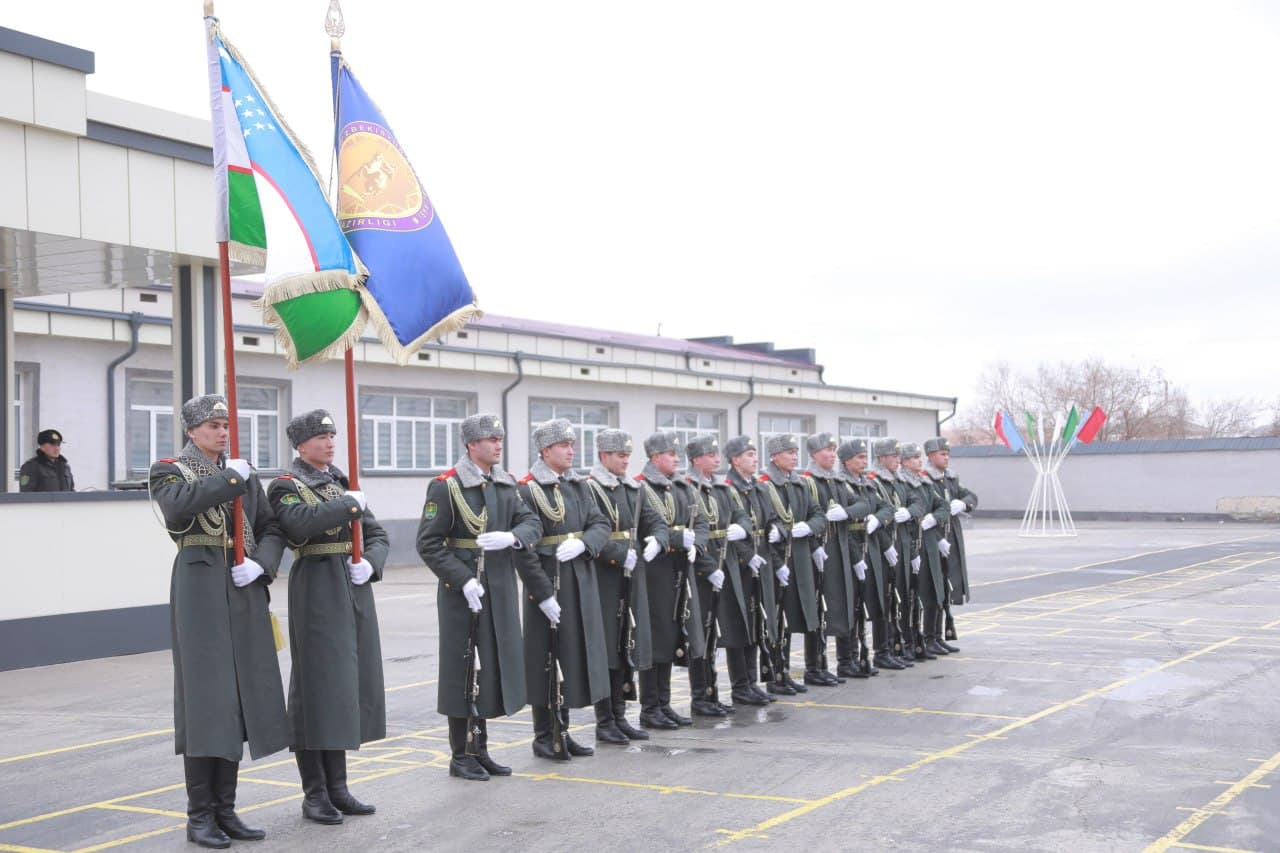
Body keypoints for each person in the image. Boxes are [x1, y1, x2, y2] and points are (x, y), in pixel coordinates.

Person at [148, 395, 288, 849]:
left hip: (242, 584)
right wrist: (231, 477)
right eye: (212, 425)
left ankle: (226, 809)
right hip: (200, 586)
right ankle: (199, 814)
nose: (222, 431)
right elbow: (178, 508)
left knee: (238, 699)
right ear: (191, 431)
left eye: (225, 424)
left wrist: (263, 565)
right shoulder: (168, 469)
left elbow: (272, 527)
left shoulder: (244, 473)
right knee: (207, 701)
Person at [417, 414, 553, 781]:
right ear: (471, 444)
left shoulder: (505, 484)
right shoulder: (447, 487)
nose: (497, 444)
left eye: (499, 438)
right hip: (464, 592)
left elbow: (533, 523)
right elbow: (428, 543)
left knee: (489, 667)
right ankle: (460, 754)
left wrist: (512, 537)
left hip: (499, 585)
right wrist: (461, 580)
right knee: (464, 670)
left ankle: (481, 749)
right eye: (490, 438)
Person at [268, 410, 387, 822]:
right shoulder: (286, 485)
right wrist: (348, 508)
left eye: (333, 434)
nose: (330, 441)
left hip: (352, 584)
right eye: (320, 436)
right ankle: (314, 792)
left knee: (344, 687)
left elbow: (377, 533)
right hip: (316, 583)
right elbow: (299, 523)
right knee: (316, 687)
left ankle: (339, 787)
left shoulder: (340, 483)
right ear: (301, 445)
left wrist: (371, 563)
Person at [518, 418, 612, 760]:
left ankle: (563, 729)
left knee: (570, 656)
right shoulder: (528, 489)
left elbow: (600, 522)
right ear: (545, 451)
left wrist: (585, 544)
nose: (572, 451)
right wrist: (541, 594)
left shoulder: (578, 486)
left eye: (573, 445)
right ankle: (545, 735)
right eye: (564, 446)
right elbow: (522, 550)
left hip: (578, 578)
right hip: (549, 582)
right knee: (546, 657)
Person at [585, 429, 669, 744]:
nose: (624, 461)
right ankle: (604, 720)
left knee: (626, 646)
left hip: (633, 574)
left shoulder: (634, 489)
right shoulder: (590, 489)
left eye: (627, 456)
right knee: (607, 648)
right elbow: (593, 530)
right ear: (604, 456)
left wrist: (656, 542)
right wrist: (620, 555)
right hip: (605, 577)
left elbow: (656, 521)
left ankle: (620, 716)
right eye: (620, 456)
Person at [635, 431, 708, 728]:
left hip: (678, 569)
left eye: (677, 454)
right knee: (653, 640)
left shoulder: (682, 487)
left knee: (671, 636)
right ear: (654, 458)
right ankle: (649, 706)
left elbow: (700, 521)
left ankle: (663, 703)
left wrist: (697, 544)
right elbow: (646, 529)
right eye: (670, 454)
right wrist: (679, 538)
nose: (676, 459)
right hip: (654, 572)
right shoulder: (641, 488)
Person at [684, 435, 752, 715]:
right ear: (696, 459)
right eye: (710, 455)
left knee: (722, 630)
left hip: (726, 566)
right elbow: (693, 531)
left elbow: (742, 515)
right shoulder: (688, 488)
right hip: (701, 570)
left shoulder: (722, 490)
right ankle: (701, 696)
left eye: (716, 454)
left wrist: (742, 528)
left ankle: (717, 692)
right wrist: (708, 567)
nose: (716, 458)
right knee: (702, 635)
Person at [759, 434, 826, 694]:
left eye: (796, 451)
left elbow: (818, 514)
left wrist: (807, 528)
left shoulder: (799, 484)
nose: (794, 456)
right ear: (774, 456)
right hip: (778, 559)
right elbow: (767, 523)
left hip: (799, 557)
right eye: (788, 452)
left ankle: (786, 671)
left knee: (796, 615)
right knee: (778, 618)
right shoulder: (765, 485)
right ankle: (776, 674)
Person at [723, 435, 778, 704]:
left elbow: (769, 518)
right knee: (740, 625)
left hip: (761, 559)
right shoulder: (728, 488)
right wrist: (747, 556)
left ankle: (752, 681)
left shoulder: (758, 487)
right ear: (735, 460)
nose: (755, 459)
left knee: (757, 622)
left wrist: (775, 529)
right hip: (739, 564)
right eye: (749, 455)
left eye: (755, 454)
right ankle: (740, 684)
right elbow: (730, 527)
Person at [799, 433, 854, 686]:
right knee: (818, 610)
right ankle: (815, 666)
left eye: (833, 450)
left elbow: (865, 503)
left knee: (840, 606)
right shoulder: (808, 482)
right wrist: (813, 547)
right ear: (813, 455)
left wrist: (847, 512)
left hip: (838, 550)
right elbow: (806, 516)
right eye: (826, 450)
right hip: (818, 552)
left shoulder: (838, 481)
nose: (831, 455)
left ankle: (846, 660)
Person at [897, 442, 952, 660]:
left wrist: (934, 519)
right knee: (911, 596)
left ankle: (931, 637)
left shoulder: (924, 482)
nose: (920, 462)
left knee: (932, 591)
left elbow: (943, 506)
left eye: (920, 458)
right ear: (904, 462)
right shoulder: (904, 483)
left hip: (928, 542)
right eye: (914, 458)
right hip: (912, 543)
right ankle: (910, 640)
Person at [835, 439, 885, 677]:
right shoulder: (842, 484)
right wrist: (855, 557)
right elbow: (862, 508)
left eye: (865, 457)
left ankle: (858, 656)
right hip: (850, 548)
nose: (864, 461)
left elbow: (884, 507)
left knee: (861, 606)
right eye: (859, 458)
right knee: (850, 607)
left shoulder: (865, 483)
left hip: (867, 546)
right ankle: (846, 659)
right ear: (846, 461)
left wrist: (878, 518)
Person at [868, 438, 917, 667]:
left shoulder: (898, 481)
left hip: (901, 545)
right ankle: (882, 650)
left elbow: (918, 503)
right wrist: (887, 544)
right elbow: (875, 515)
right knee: (884, 600)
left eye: (898, 456)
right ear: (881, 458)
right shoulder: (874, 482)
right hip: (884, 547)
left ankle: (896, 646)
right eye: (893, 456)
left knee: (899, 598)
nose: (898, 460)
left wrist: (909, 512)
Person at [924, 437, 977, 648]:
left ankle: (938, 636)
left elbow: (972, 496)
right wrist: (937, 539)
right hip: (933, 537)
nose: (946, 458)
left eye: (947, 454)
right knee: (933, 588)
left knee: (946, 586)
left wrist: (963, 504)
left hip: (951, 535)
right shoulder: (925, 478)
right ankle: (929, 636)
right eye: (942, 454)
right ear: (930, 456)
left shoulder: (951, 478)